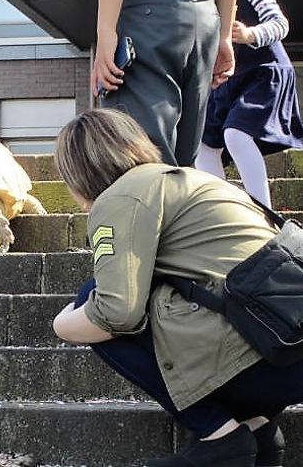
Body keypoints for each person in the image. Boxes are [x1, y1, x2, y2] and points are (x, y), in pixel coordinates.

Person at [52, 108, 303, 466]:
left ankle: (220, 437)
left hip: (265, 356)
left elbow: (116, 311)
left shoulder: (120, 198)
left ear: (78, 173)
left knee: (89, 300)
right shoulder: (192, 180)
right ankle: (257, 429)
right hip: (286, 342)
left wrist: (62, 325)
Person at [91, 0, 238, 167]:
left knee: (136, 152)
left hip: (148, 13)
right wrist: (225, 35)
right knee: (184, 157)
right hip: (205, 18)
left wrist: (106, 32)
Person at [195, 0, 303, 208]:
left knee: (236, 134)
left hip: (263, 71)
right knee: (203, 145)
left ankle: (264, 213)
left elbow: (280, 24)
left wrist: (250, 34)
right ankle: (223, 213)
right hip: (226, 78)